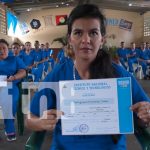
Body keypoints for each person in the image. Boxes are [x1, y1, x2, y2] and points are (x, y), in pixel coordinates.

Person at [26, 4, 150, 150]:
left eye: (93, 33)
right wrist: (40, 122)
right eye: (78, 33)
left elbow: (143, 117)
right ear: (70, 39)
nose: (86, 40)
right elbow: (30, 119)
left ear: (102, 39)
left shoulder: (119, 75)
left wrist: (145, 114)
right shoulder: (58, 75)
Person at [0, 39, 26, 141]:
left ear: (8, 49)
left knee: (9, 100)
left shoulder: (15, 59)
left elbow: (23, 71)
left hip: (10, 85)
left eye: (4, 48)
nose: (1, 50)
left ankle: (9, 127)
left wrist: (14, 77)